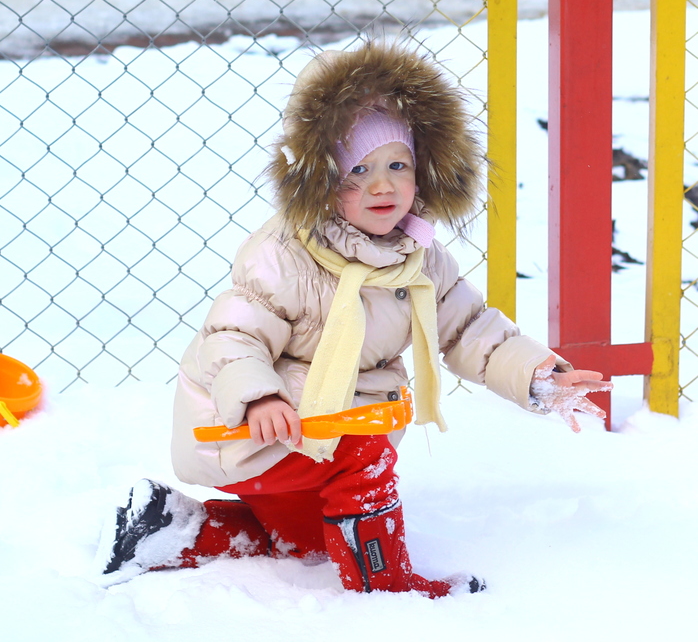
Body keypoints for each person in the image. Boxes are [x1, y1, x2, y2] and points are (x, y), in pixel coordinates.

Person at [97, 41, 612, 597]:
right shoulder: (286, 255)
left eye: (397, 166)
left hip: (313, 432)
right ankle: (386, 585)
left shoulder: (417, 257)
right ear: (322, 183)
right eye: (358, 172)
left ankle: (165, 528)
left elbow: (468, 328)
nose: (383, 186)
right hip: (246, 428)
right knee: (365, 449)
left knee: (311, 542)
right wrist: (257, 398)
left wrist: (536, 374)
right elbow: (234, 334)